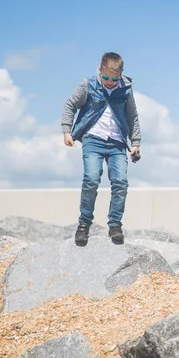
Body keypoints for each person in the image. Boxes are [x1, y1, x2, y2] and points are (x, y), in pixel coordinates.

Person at [61, 52, 141, 247]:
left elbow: (133, 116)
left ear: (121, 74)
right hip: (93, 140)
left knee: (120, 181)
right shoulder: (88, 85)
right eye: (105, 77)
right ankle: (84, 224)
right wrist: (67, 131)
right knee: (91, 178)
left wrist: (136, 142)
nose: (110, 82)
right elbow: (70, 105)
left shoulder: (126, 90)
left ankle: (115, 225)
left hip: (117, 143)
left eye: (114, 79)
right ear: (99, 69)